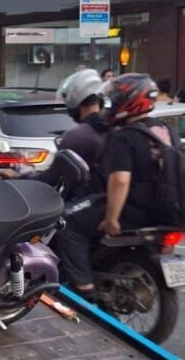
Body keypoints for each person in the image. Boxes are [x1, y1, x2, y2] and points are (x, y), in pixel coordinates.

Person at [56, 73, 163, 297]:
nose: (110, 106)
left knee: (67, 221)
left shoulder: (123, 136)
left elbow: (120, 180)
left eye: (114, 100)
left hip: (132, 209)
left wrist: (112, 218)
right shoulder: (163, 130)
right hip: (162, 209)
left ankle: (83, 288)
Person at [0, 69, 107, 195]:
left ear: (74, 100)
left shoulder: (76, 136)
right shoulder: (114, 129)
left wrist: (17, 176)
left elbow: (50, 179)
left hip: (85, 205)